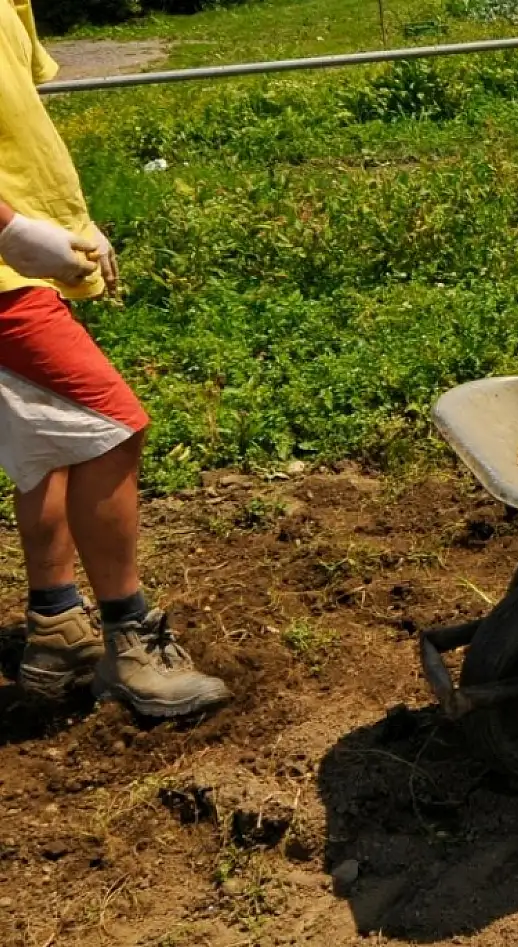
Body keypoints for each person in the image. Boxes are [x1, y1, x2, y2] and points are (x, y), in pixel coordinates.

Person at [1, 0, 229, 717]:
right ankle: (130, 643)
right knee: (110, 427)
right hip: (4, 274)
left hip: (24, 256)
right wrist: (9, 231)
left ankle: (58, 626)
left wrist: (66, 219)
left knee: (48, 446)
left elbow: (21, 124)